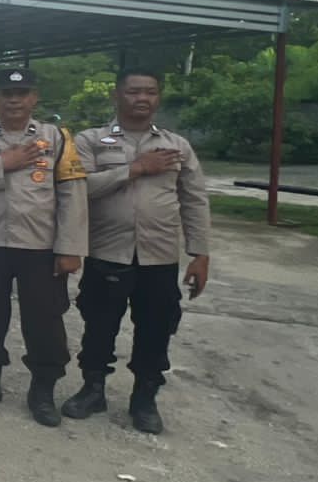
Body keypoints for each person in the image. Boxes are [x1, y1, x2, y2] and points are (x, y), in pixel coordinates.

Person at [62, 69, 211, 434]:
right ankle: (92, 389)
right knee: (99, 325)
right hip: (107, 252)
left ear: (158, 98)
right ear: (117, 96)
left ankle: (144, 398)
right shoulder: (92, 141)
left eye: (150, 92)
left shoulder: (177, 146)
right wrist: (136, 169)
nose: (142, 98)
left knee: (156, 329)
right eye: (133, 92)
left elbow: (194, 199)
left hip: (159, 257)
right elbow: (79, 188)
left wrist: (200, 253)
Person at [0, 68, 88, 427]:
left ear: (34, 97)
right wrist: (2, 164)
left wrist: (70, 247)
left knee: (45, 320)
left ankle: (42, 390)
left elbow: (72, 195)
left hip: (39, 246)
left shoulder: (55, 138)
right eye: (6, 93)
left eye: (22, 92)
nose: (13, 99)